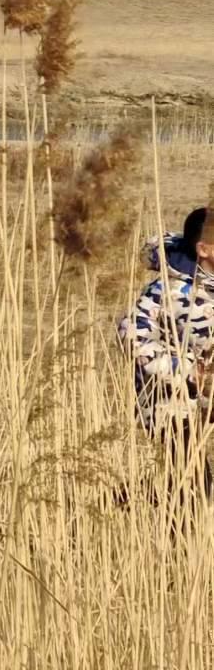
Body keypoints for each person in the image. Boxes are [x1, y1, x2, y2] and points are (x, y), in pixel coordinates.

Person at [117, 206, 214, 517]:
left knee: (188, 481)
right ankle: (179, 550)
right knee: (197, 485)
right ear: (204, 249)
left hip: (206, 400)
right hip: (166, 402)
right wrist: (185, 369)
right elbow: (131, 335)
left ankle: (129, 501)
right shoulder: (169, 291)